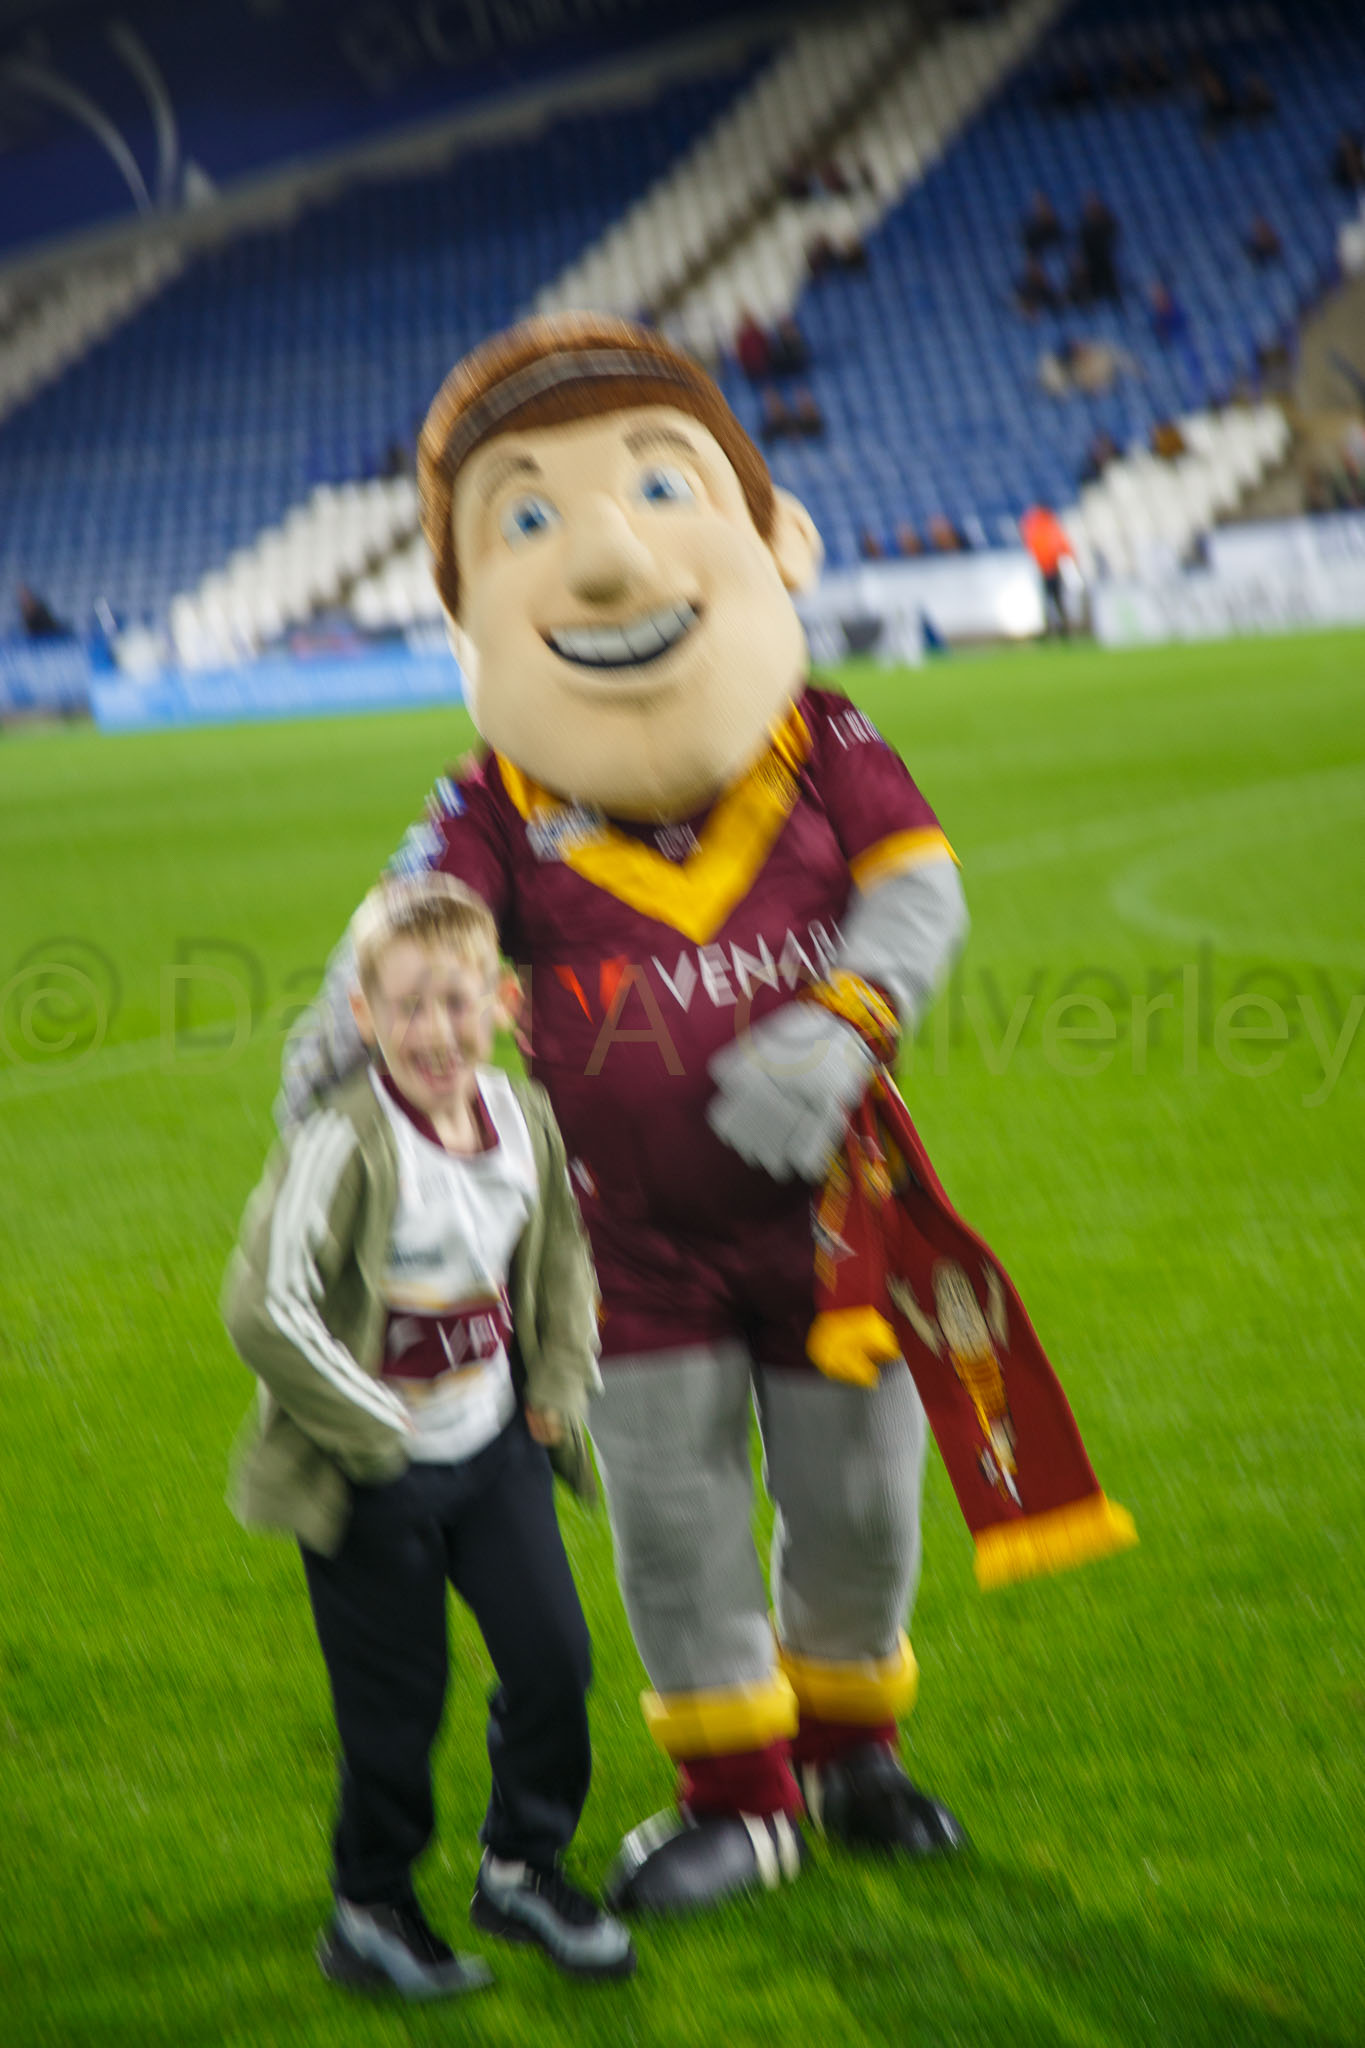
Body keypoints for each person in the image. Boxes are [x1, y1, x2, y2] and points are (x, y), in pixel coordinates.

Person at [280, 311, 970, 1918]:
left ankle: (853, 1747)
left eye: (663, 492)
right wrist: (344, 1029)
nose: (603, 566)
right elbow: (415, 924)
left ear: (771, 539)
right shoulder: (492, 800)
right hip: (621, 1247)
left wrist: (848, 1021)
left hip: (838, 1213)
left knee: (862, 1496)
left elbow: (917, 890)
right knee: (674, 1515)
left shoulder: (823, 736)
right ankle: (738, 1793)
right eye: (526, 522)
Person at [223, 875, 634, 1997]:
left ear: (501, 1003)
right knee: (395, 1710)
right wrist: (371, 1428)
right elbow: (263, 1305)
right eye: (406, 1007)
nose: (435, 1032)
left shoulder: (521, 1117)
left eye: (457, 1002)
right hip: (374, 1476)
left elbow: (561, 1254)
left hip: (496, 1449)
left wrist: (557, 1378)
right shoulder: (342, 1142)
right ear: (365, 1016)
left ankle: (522, 1865)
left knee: (554, 1660)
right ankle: (371, 1907)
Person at [1019, 503, 1073, 637]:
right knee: (1054, 600)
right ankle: (1058, 628)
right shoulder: (1047, 525)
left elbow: (1036, 546)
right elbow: (1060, 545)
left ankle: (1056, 628)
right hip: (1049, 568)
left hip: (1048, 568)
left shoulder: (1038, 525)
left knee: (1051, 600)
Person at [1021, 191, 1062, 255]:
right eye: (1038, 205)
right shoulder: (1032, 232)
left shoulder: (1057, 229)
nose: (1041, 208)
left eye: (1043, 204)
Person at [735, 308, 771, 381]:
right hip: (752, 369)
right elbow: (742, 354)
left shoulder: (757, 331)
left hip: (764, 365)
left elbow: (766, 345)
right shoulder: (743, 337)